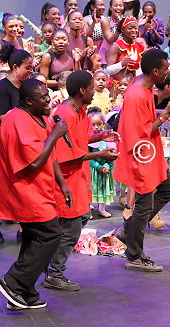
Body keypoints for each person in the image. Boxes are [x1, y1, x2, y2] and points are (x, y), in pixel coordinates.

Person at [0, 78, 71, 311]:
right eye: (43, 97)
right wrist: (55, 134)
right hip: (25, 190)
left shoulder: (38, 116)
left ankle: (22, 293)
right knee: (50, 234)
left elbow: (49, 154)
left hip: (40, 188)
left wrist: (62, 182)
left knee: (32, 238)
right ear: (28, 101)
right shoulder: (18, 120)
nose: (49, 100)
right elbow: (35, 161)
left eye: (48, 95)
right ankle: (13, 281)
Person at [44, 70, 120, 291]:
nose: (94, 92)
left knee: (79, 221)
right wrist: (100, 154)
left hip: (79, 177)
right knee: (71, 228)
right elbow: (65, 154)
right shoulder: (64, 114)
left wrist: (101, 137)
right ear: (81, 90)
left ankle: (52, 267)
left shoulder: (81, 111)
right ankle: (54, 273)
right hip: (66, 180)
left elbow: (83, 139)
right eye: (90, 87)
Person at [113, 49, 170, 272]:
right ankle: (134, 255)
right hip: (141, 155)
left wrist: (164, 111)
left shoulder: (143, 86)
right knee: (144, 205)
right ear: (155, 71)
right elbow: (140, 132)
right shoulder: (137, 94)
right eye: (165, 69)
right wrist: (165, 114)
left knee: (167, 190)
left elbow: (144, 116)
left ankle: (128, 230)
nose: (168, 72)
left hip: (151, 153)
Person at [0, 45, 33, 243]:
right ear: (14, 67)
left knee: (21, 177)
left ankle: (22, 223)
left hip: (21, 136)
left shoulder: (27, 86)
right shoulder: (2, 87)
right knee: (2, 175)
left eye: (31, 68)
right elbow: (6, 118)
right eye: (27, 68)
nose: (30, 72)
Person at [88, 111, 116, 218]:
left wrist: (107, 166)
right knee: (90, 189)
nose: (96, 127)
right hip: (93, 170)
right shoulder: (88, 139)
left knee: (103, 189)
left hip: (105, 169)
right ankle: (87, 209)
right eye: (93, 125)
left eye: (98, 124)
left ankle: (102, 209)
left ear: (103, 123)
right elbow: (88, 157)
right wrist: (98, 166)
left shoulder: (107, 138)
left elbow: (111, 153)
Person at [106, 17, 146, 83]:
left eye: (135, 28)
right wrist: (122, 63)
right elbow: (109, 70)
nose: (134, 30)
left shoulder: (140, 46)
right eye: (130, 28)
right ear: (122, 29)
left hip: (132, 85)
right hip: (118, 85)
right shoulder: (116, 46)